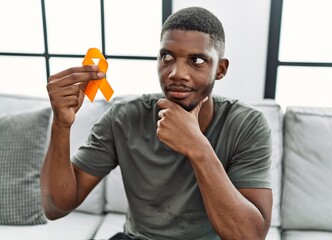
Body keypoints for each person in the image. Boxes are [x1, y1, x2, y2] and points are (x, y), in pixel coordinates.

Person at [41, 6, 272, 240]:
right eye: (167, 57)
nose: (176, 73)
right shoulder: (124, 118)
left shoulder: (247, 125)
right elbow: (55, 207)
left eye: (197, 60)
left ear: (220, 69)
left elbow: (250, 236)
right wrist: (61, 124)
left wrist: (198, 147)